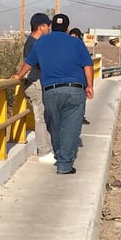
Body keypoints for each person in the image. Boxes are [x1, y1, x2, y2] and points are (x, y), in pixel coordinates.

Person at [12, 13, 94, 174]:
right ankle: (65, 164)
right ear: (68, 28)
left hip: (50, 91)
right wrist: (90, 86)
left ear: (52, 26)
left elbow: (29, 62)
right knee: (71, 127)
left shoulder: (41, 42)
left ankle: (59, 154)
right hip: (74, 89)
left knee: (54, 125)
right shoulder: (76, 42)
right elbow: (88, 65)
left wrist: (19, 76)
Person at [16, 13, 55, 163]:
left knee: (45, 116)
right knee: (40, 117)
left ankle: (47, 148)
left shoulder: (35, 42)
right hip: (35, 83)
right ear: (41, 27)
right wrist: (19, 75)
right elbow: (33, 62)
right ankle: (44, 152)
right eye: (47, 25)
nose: (49, 28)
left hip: (39, 82)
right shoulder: (33, 43)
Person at [69, 27, 90, 125]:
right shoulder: (66, 47)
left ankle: (80, 116)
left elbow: (87, 66)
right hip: (69, 79)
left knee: (81, 100)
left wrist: (89, 85)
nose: (73, 39)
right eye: (71, 36)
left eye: (75, 37)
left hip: (80, 79)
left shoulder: (81, 47)